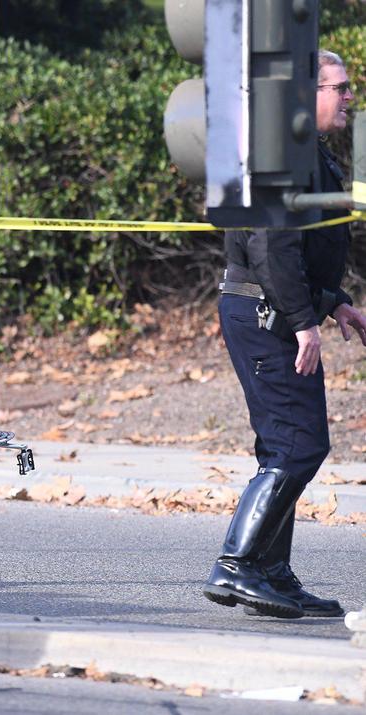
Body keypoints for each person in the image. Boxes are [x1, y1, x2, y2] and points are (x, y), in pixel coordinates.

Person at [203, 49, 366, 619]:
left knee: (285, 445)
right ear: (306, 94)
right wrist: (303, 323)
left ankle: (268, 572)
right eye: (339, 88)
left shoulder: (303, 151)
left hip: (269, 310)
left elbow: (303, 251)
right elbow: (271, 248)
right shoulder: (284, 150)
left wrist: (334, 305)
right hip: (265, 315)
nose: (349, 97)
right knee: (299, 443)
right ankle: (236, 565)